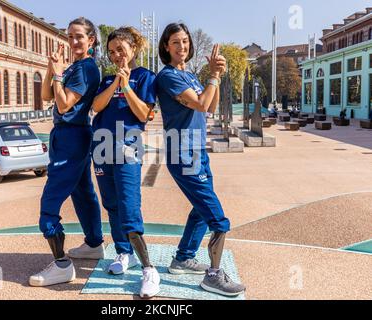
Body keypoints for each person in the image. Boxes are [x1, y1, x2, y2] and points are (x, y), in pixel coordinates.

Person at [155, 22, 246, 297]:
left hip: (198, 151)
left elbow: (212, 105)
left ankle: (183, 257)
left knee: (200, 209)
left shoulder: (191, 75)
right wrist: (214, 76)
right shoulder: (168, 76)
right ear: (166, 47)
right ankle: (213, 276)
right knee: (217, 217)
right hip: (182, 153)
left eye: (185, 41)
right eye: (175, 42)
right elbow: (201, 104)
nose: (181, 46)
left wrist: (215, 75)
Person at [70, 26, 160, 299]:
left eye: (121, 49)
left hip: (128, 146)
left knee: (129, 207)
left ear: (133, 48)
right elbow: (95, 107)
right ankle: (124, 253)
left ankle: (149, 270)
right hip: (101, 146)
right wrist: (114, 84)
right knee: (111, 204)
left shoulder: (145, 77)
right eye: (111, 52)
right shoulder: (107, 77)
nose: (116, 55)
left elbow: (144, 113)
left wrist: (126, 86)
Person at [29, 17, 104, 287]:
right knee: (83, 193)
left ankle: (62, 265)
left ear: (91, 40)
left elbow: (62, 105)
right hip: (72, 134)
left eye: (79, 36)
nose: (73, 41)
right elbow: (47, 95)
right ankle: (94, 244)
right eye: (69, 36)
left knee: (50, 201)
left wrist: (59, 74)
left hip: (71, 135)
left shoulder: (85, 69)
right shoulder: (75, 67)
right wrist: (52, 69)